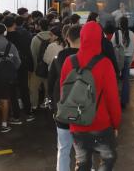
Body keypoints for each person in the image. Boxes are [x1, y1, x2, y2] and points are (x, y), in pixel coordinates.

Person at [60, 21, 121, 171]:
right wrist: (116, 123)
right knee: (108, 157)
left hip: (77, 123)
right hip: (101, 124)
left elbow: (64, 92)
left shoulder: (69, 61)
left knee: (83, 163)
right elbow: (112, 98)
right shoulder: (105, 64)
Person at [48, 24, 81, 171]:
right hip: (84, 111)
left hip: (62, 109)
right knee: (84, 150)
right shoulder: (91, 58)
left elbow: (51, 84)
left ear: (67, 38)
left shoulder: (59, 57)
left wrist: (53, 104)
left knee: (63, 149)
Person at [12, 15, 35, 121]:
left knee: (12, 90)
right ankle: (28, 111)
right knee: (24, 88)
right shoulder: (26, 34)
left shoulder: (8, 36)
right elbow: (29, 50)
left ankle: (15, 115)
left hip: (11, 65)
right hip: (23, 63)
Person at [111, 17, 134, 109]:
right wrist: (132, 59)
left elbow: (111, 46)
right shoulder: (132, 34)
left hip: (118, 59)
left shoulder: (116, 34)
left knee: (116, 80)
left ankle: (115, 100)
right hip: (128, 58)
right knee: (126, 80)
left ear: (119, 24)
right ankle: (124, 101)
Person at [30, 18, 52, 110]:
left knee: (33, 88)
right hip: (50, 68)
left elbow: (33, 54)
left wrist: (35, 68)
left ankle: (34, 105)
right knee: (48, 88)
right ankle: (46, 104)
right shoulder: (53, 37)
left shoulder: (35, 38)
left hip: (38, 68)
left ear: (39, 27)